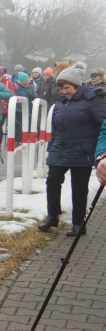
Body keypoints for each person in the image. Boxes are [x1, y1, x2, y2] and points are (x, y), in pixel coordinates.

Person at [38, 65, 106, 236]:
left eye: (67, 87)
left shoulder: (93, 100)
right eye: (60, 87)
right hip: (60, 148)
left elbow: (103, 123)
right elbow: (55, 128)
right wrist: (52, 146)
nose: (63, 91)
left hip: (83, 150)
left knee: (79, 188)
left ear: (77, 86)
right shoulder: (60, 103)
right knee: (52, 181)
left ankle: (78, 224)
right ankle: (53, 216)